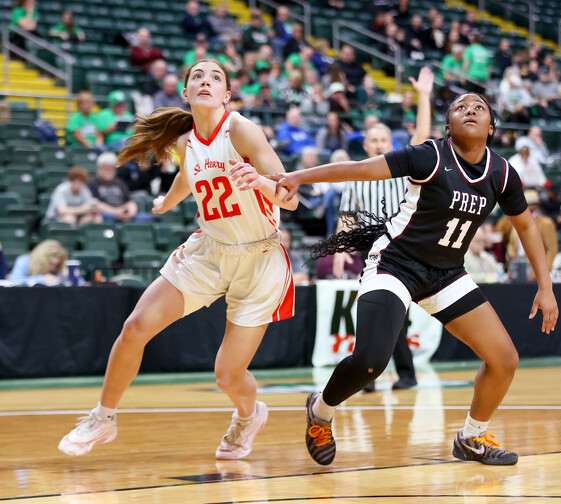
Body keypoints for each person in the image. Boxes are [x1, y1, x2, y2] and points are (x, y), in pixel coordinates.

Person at [237, 93, 559, 466]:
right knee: (371, 361)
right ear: (448, 127)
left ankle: (471, 437)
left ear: (491, 128)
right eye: (460, 107)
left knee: (504, 359)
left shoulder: (502, 173)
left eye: (479, 108)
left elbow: (526, 227)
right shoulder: (429, 156)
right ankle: (320, 410)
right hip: (395, 264)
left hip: (447, 274)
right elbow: (359, 169)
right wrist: (297, 176)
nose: (469, 110)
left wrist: (546, 286)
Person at [58, 59, 299, 460]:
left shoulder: (242, 130)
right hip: (210, 250)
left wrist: (260, 181)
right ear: (185, 93)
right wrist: (166, 203)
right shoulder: (187, 142)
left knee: (227, 376)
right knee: (135, 327)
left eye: (216, 77)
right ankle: (103, 418)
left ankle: (249, 415)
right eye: (197, 76)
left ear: (227, 94)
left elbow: (290, 198)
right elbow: (187, 177)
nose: (206, 81)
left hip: (259, 259)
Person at [333, 67, 434, 393]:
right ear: (365, 145)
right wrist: (340, 250)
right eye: (373, 141)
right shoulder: (355, 175)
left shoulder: (403, 166)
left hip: (402, 247)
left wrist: (423, 96)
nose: (378, 145)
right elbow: (347, 216)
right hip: (370, 249)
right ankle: (376, 373)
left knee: (393, 314)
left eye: (383, 141)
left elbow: (422, 135)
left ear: (391, 144)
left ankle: (396, 373)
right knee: (375, 312)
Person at [87, 152, 150, 224]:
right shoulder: (92, 183)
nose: (108, 171)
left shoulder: (120, 183)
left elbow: (129, 202)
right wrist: (115, 212)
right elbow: (95, 203)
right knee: (106, 216)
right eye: (105, 169)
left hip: (122, 212)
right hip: (107, 213)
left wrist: (130, 213)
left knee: (144, 217)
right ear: (99, 169)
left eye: (111, 169)